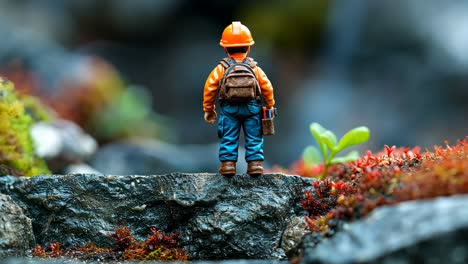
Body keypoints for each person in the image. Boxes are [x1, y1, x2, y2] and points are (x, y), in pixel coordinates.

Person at [203, 21, 275, 176]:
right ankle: (255, 165)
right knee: (254, 136)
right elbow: (267, 87)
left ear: (225, 48)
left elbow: (210, 88)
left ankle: (228, 165)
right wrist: (269, 105)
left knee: (229, 137)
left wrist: (209, 109)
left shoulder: (221, 68)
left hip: (229, 109)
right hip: (252, 108)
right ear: (249, 47)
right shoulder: (255, 68)